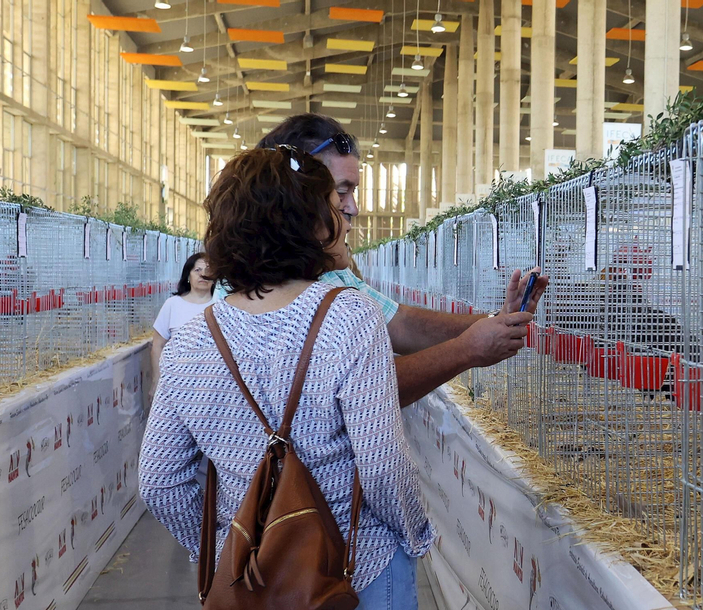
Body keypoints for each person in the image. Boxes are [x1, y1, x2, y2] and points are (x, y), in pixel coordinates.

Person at [139, 146, 442, 610]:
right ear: (308, 221)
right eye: (335, 205)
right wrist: (412, 536)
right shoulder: (346, 319)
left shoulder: (193, 337)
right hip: (356, 593)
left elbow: (159, 481)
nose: (347, 215)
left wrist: (226, 556)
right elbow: (381, 465)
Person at [209, 113, 548, 406]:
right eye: (339, 193)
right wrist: (466, 350)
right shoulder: (253, 295)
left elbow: (399, 323)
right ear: (295, 197)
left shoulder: (333, 278)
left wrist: (495, 321)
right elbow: (358, 394)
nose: (353, 208)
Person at [150, 252, 216, 385]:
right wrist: (157, 380)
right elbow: (158, 345)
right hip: (176, 383)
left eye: (208, 270)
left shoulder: (222, 306)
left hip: (212, 385)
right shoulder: (172, 304)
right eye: (197, 270)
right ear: (188, 276)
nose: (203, 274)